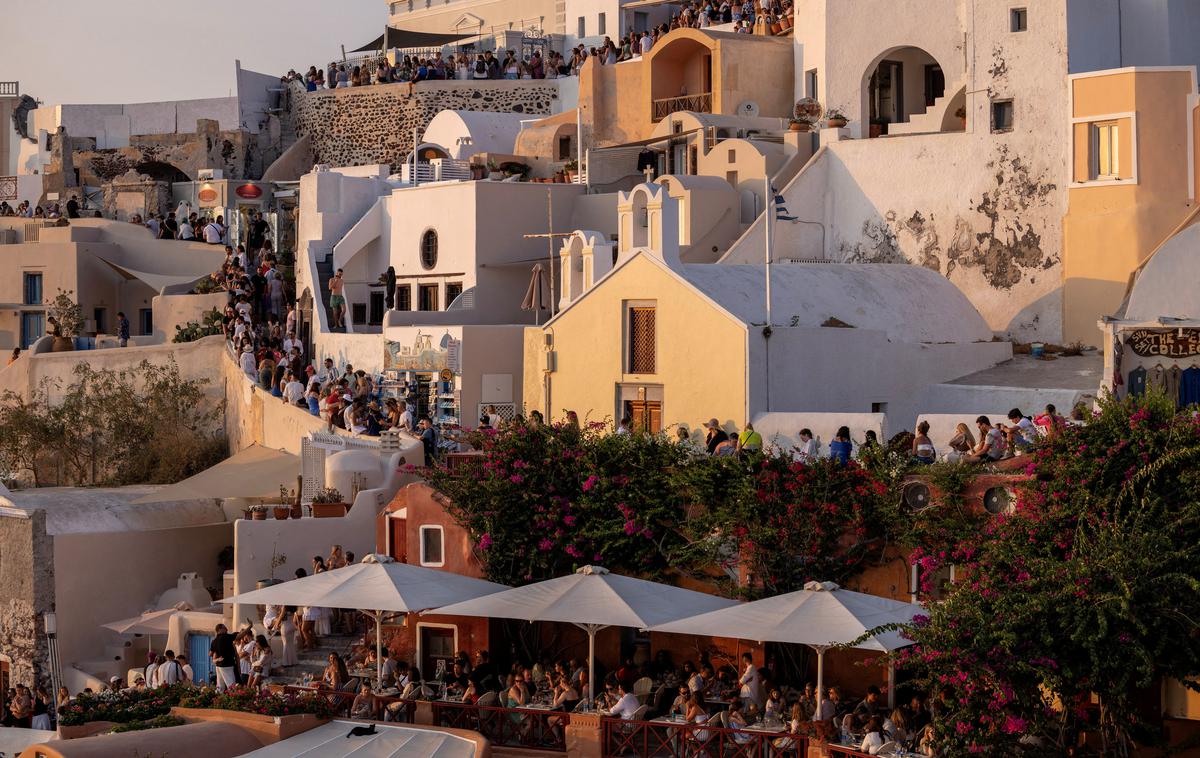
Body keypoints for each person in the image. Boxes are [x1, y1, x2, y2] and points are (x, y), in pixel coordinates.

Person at [210, 623, 238, 691]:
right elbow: (239, 636)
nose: (227, 629)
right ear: (220, 629)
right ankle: (234, 699)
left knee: (220, 686)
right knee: (231, 686)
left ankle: (218, 700)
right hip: (226, 665)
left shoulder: (214, 641)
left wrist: (216, 659)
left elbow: (210, 653)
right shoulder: (226, 637)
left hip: (218, 666)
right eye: (225, 628)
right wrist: (250, 626)